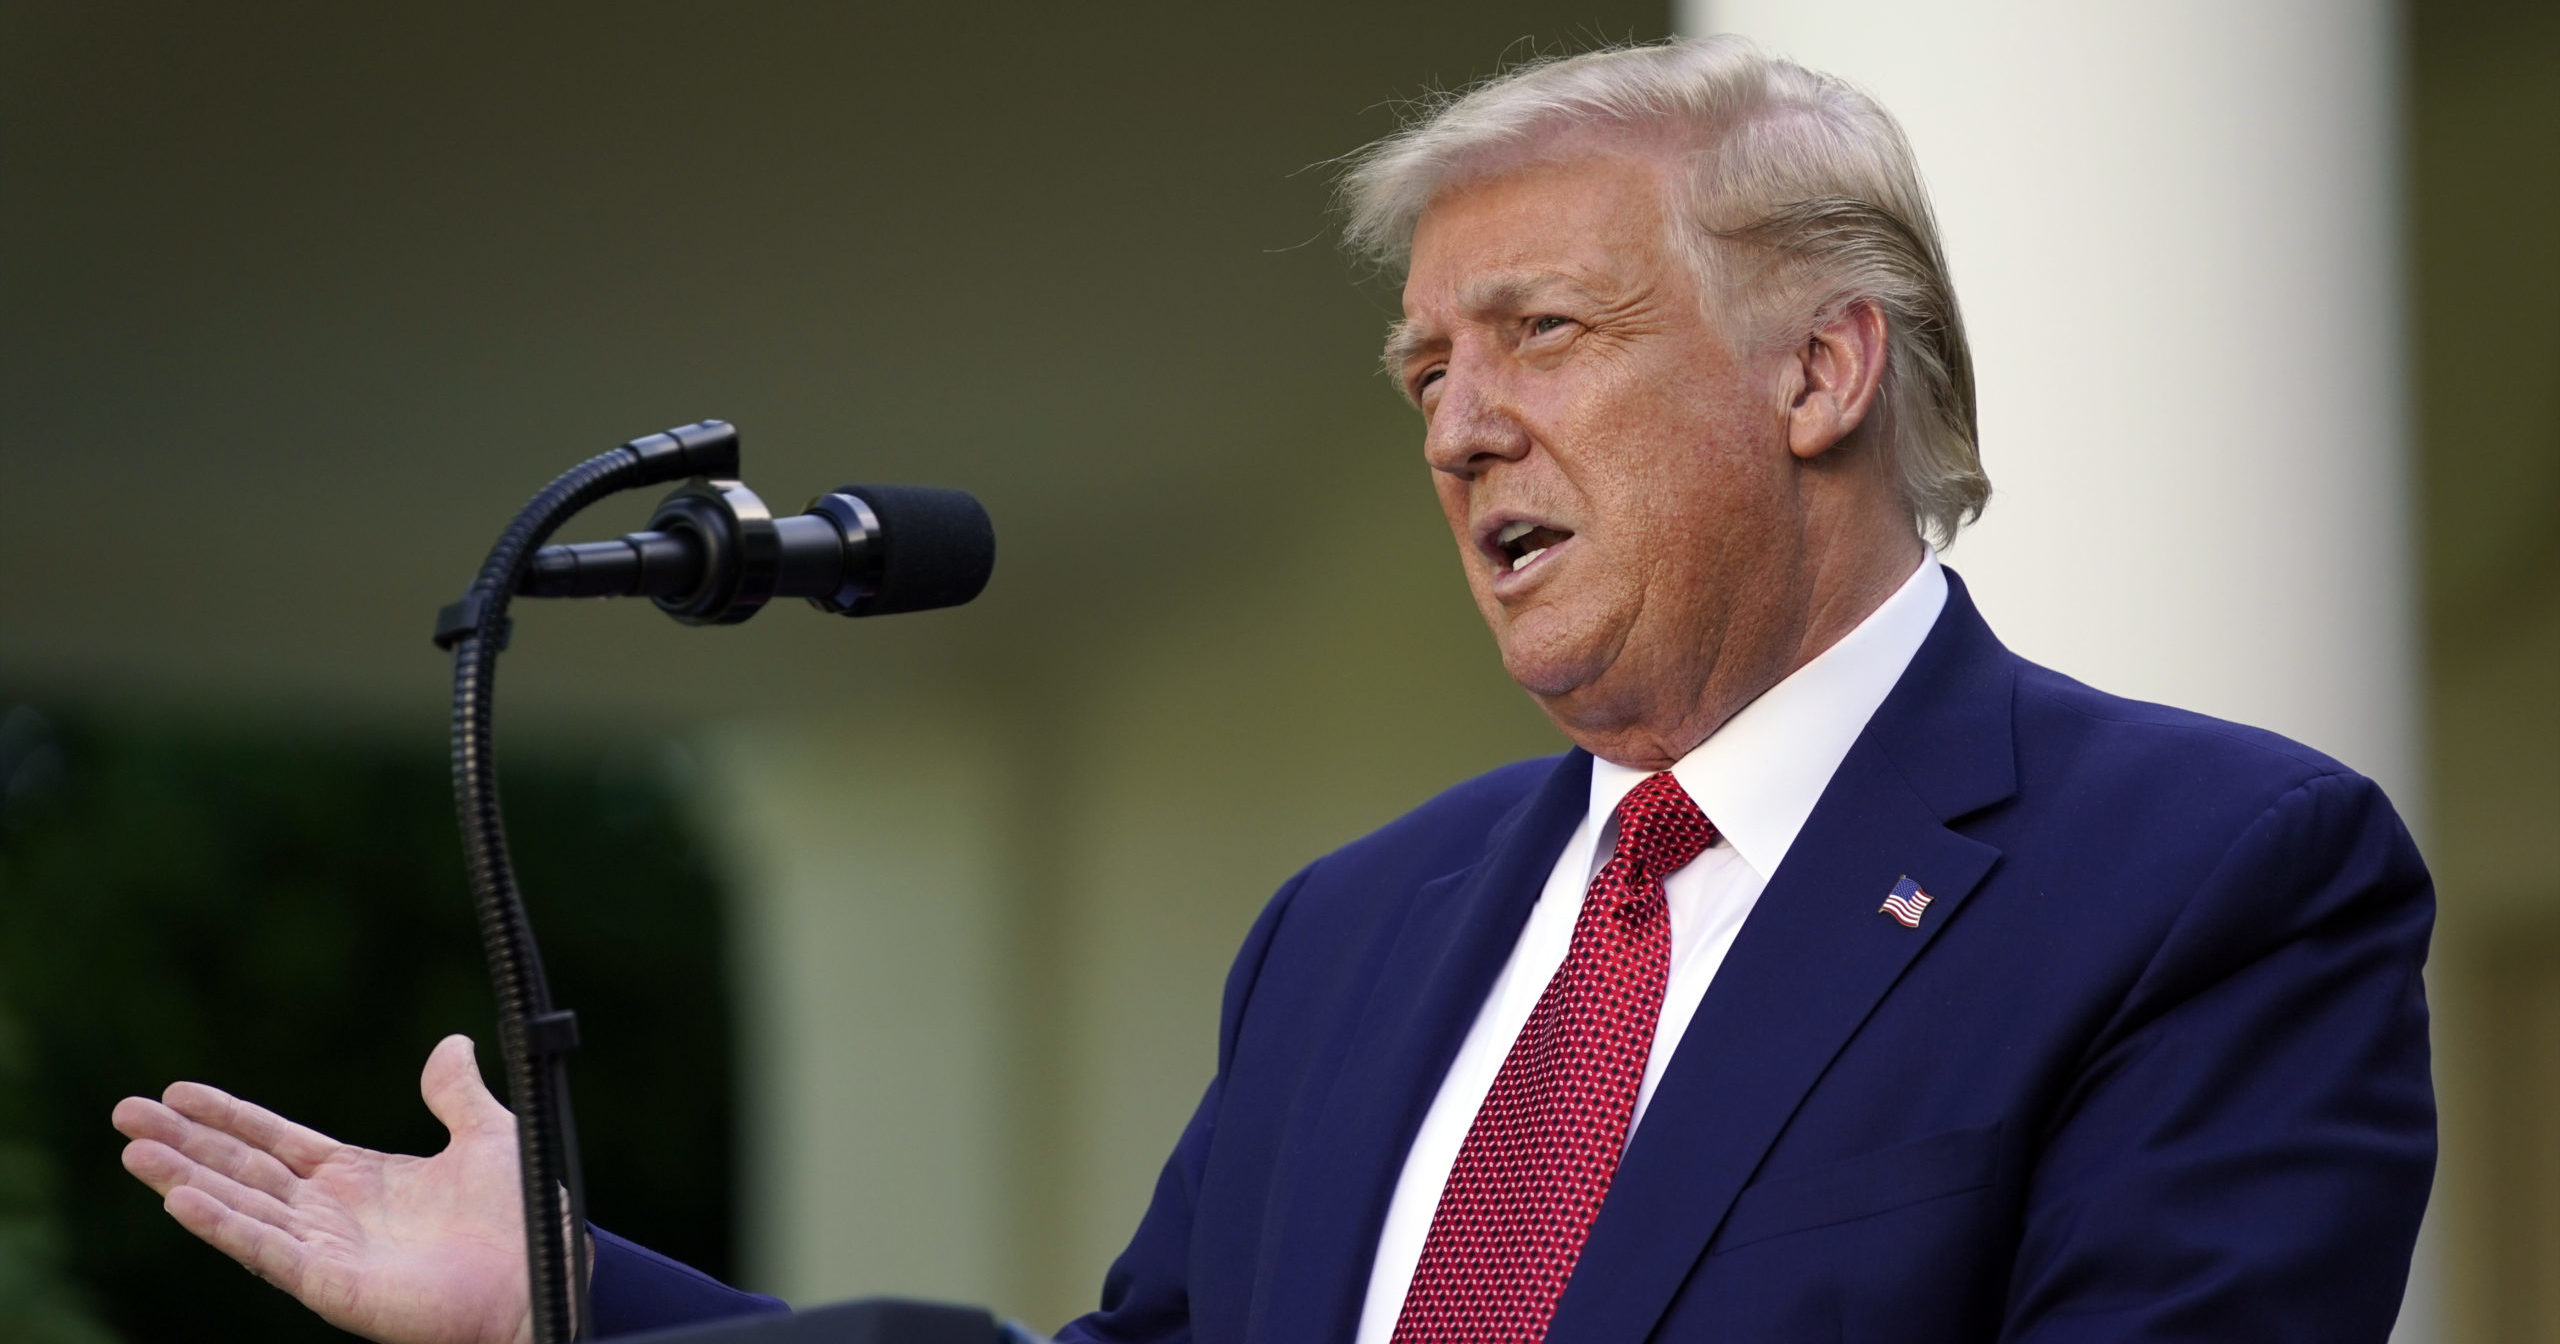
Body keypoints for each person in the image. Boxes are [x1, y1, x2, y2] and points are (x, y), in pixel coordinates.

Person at [110, 36, 2434, 1344]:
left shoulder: (2210, 877)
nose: (1450, 422)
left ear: (1823, 364)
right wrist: (580, 1306)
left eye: (1540, 332)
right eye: (1422, 363)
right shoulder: (1359, 932)